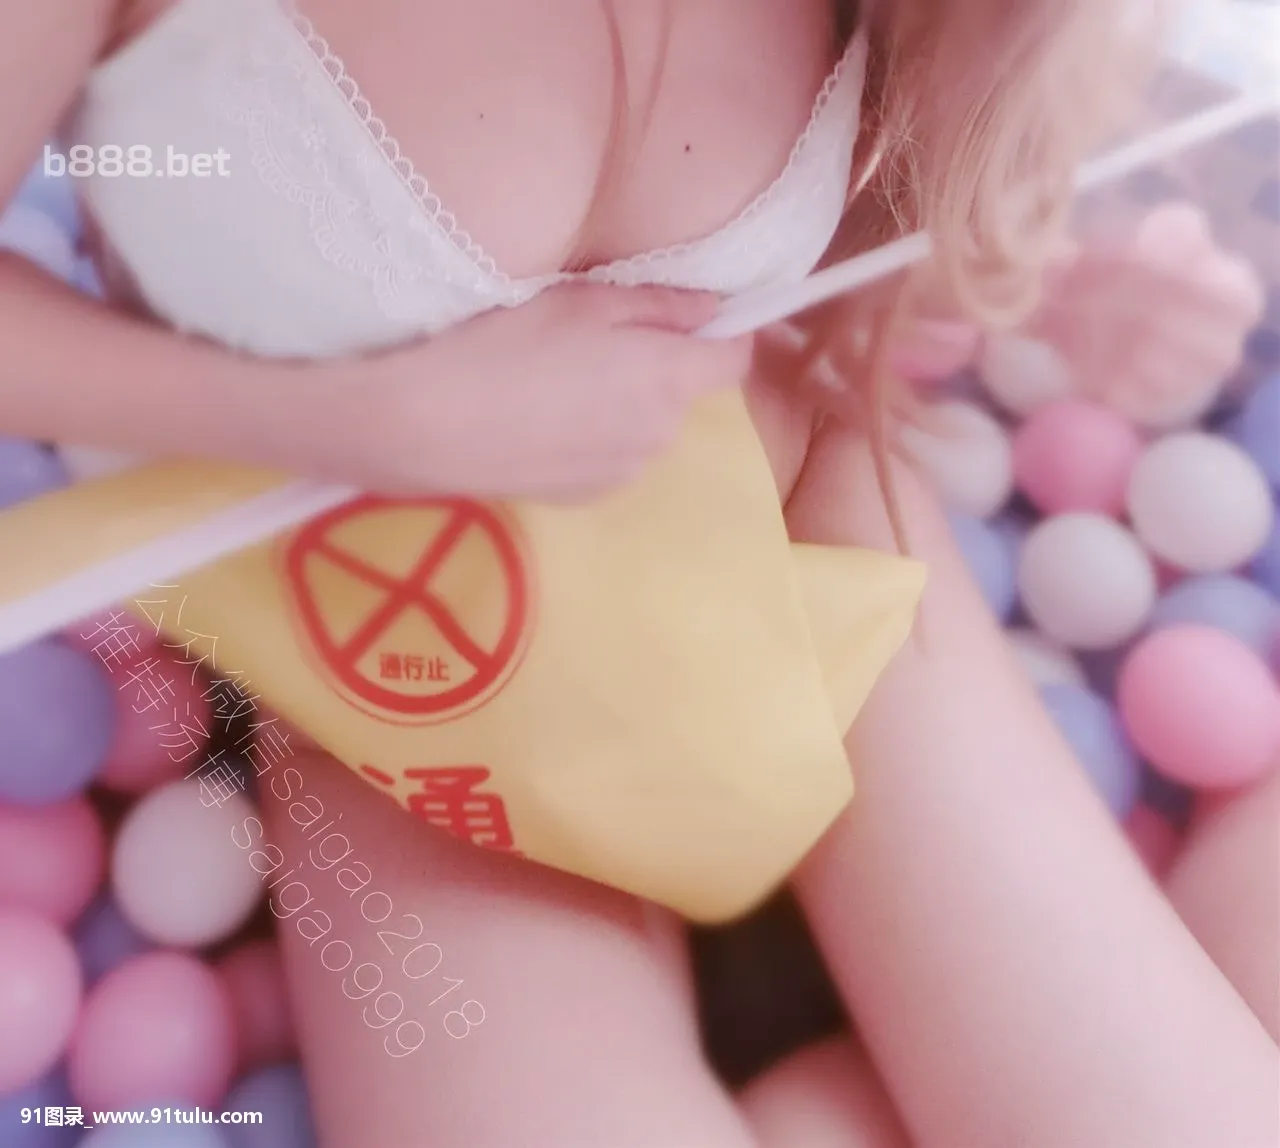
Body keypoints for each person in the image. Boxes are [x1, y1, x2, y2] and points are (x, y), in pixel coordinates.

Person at [0, 0, 1275, 1143]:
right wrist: (364, 423)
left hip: (797, 530)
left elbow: (898, 233)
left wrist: (1050, 287)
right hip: (385, 673)